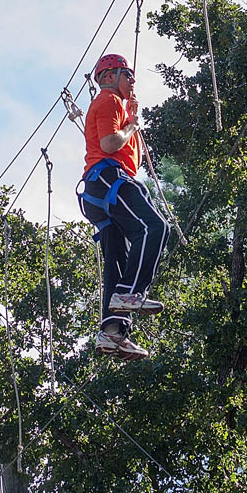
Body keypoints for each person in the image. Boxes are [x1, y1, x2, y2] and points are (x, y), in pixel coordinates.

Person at [78, 53, 169, 360]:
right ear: (108, 76)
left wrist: (131, 120)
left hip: (99, 189)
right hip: (109, 177)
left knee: (118, 259)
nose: (132, 80)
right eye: (127, 74)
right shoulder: (109, 100)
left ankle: (112, 332)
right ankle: (132, 292)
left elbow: (134, 157)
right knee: (155, 227)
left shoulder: (117, 106)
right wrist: (131, 125)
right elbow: (109, 144)